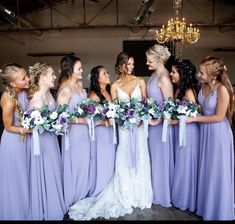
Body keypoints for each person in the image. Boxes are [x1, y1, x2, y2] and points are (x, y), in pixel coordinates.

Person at [68, 52, 153, 220]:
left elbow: (145, 105)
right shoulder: (114, 86)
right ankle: (126, 192)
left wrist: (140, 119)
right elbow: (114, 111)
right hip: (123, 129)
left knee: (141, 155)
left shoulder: (140, 81)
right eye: (128, 64)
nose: (131, 67)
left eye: (133, 64)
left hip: (140, 128)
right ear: (121, 65)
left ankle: (140, 193)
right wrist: (125, 119)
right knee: (124, 156)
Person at [187, 56, 235, 220]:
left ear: (213, 76)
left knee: (217, 171)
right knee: (206, 169)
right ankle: (206, 207)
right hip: (205, 132)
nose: (199, 76)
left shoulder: (222, 90)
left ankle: (219, 211)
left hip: (218, 134)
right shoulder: (203, 86)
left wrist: (193, 119)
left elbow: (219, 117)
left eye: (202, 73)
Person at [28, 62, 66, 220]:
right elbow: (37, 126)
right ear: (42, 78)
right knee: (46, 172)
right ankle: (46, 207)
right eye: (51, 74)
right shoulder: (36, 100)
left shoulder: (50, 94)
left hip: (51, 140)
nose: (55, 77)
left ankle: (54, 204)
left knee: (54, 170)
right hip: (42, 143)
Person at [56, 55, 91, 211]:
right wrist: (79, 120)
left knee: (85, 163)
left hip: (85, 132)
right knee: (76, 164)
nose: (82, 70)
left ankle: (83, 193)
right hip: (74, 134)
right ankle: (74, 197)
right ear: (70, 71)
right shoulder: (65, 90)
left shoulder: (80, 86)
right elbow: (60, 117)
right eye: (79, 68)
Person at [0, 63, 31, 220]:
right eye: (23, 78)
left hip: (23, 139)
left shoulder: (22, 93)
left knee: (25, 175)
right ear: (12, 83)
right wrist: (26, 130)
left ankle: (27, 208)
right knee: (16, 177)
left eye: (26, 75)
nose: (28, 79)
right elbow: (7, 126)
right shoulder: (8, 99)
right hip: (13, 141)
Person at [146, 44, 174, 207]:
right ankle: (154, 190)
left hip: (160, 127)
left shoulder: (164, 77)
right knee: (153, 160)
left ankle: (162, 194)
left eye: (150, 61)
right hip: (152, 125)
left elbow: (169, 106)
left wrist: (157, 121)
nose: (147, 63)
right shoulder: (153, 75)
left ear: (159, 59)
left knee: (160, 160)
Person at [169, 59, 200, 212]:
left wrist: (170, 122)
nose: (171, 74)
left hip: (188, 132)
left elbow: (191, 116)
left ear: (182, 74)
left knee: (185, 164)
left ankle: (186, 198)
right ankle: (180, 195)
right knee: (180, 163)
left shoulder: (188, 91)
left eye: (174, 72)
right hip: (179, 131)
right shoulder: (178, 89)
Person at [87, 65, 116, 197]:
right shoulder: (93, 96)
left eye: (107, 72)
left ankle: (110, 186)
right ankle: (101, 188)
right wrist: (106, 122)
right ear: (97, 79)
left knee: (111, 158)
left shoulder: (108, 92)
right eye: (104, 74)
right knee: (103, 160)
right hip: (101, 134)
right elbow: (89, 119)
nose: (108, 75)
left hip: (110, 132)